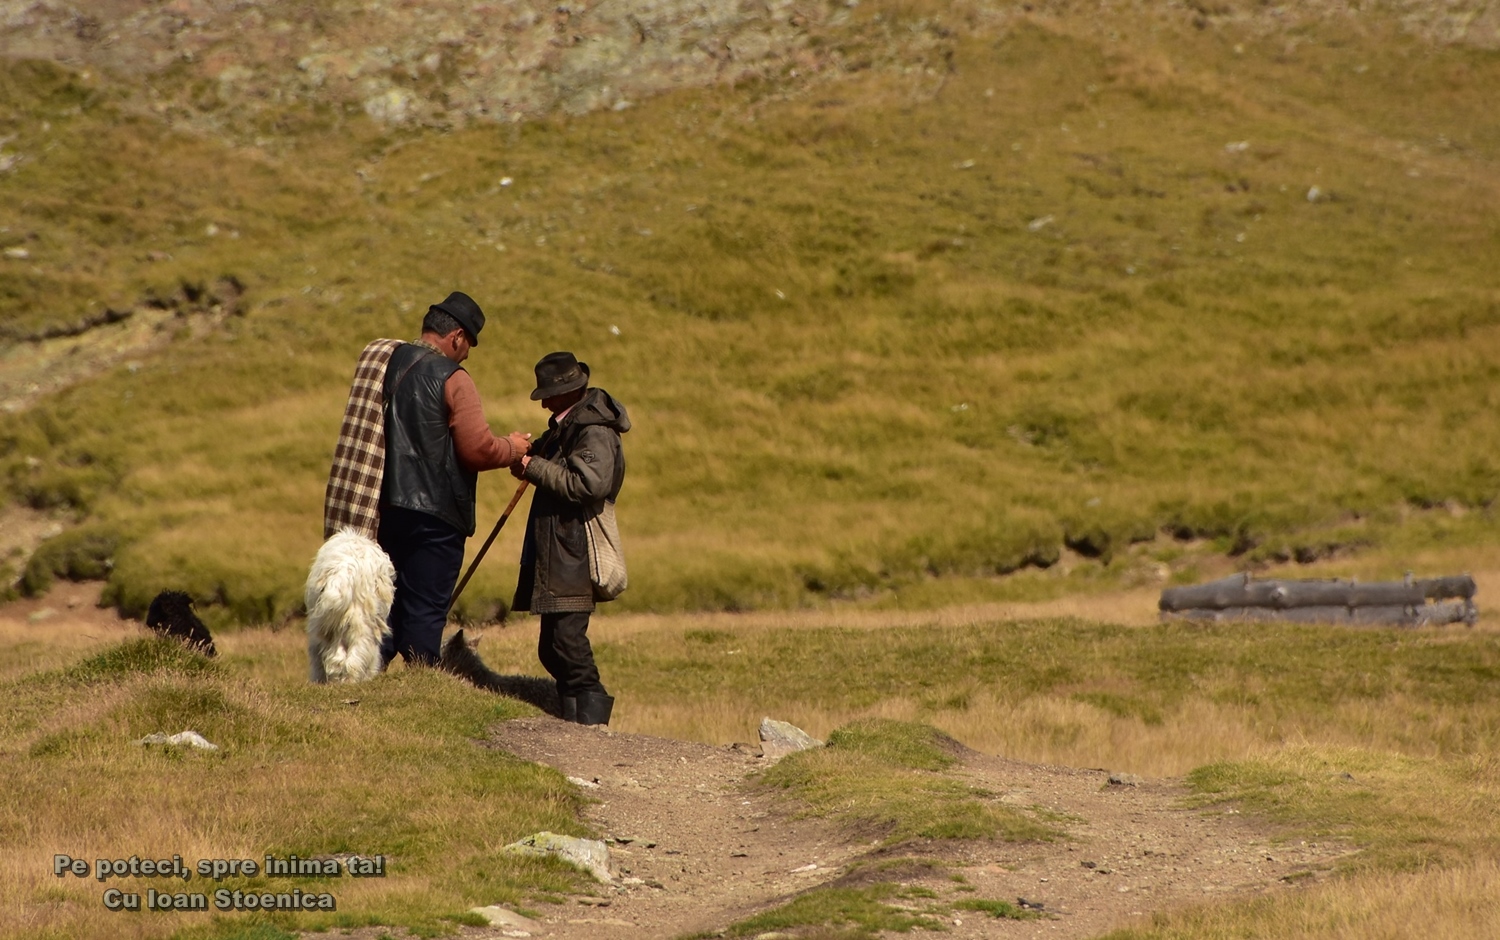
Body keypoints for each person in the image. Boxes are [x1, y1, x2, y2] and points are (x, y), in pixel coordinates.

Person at [376, 292, 531, 667]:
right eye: (469, 345)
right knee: (426, 611)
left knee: (384, 606)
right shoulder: (453, 377)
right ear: (457, 336)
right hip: (436, 517)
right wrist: (511, 448)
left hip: (385, 506)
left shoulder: (388, 362)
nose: (467, 354)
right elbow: (477, 449)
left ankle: (362, 679)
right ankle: (422, 691)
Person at [511, 351, 630, 726]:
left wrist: (533, 467)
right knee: (552, 647)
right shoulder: (571, 424)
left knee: (566, 642)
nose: (544, 400)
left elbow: (588, 485)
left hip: (574, 550)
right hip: (561, 549)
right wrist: (532, 455)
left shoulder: (592, 429)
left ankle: (591, 725)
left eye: (547, 393)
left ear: (570, 391)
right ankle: (574, 721)